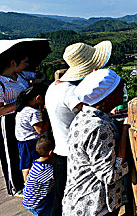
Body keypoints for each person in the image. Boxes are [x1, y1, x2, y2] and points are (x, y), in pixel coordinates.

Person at [45, 40, 112, 216]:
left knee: (60, 201)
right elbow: (91, 116)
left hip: (60, 153)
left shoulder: (54, 87)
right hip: (75, 158)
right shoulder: (71, 93)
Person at [63, 69, 129, 216]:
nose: (123, 90)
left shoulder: (82, 117)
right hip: (93, 209)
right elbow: (110, 175)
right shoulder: (99, 127)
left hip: (78, 203)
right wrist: (125, 130)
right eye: (119, 87)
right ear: (108, 97)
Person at [0, 38, 50, 196]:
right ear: (13, 63)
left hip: (22, 118)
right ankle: (15, 187)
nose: (27, 65)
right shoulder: (1, 83)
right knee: (10, 154)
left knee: (23, 152)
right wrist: (22, 102)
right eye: (24, 62)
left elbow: (38, 75)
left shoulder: (20, 76)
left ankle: (27, 182)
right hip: (7, 120)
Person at [15, 83, 50, 181]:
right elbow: (40, 130)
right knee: (31, 166)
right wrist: (47, 119)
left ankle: (26, 185)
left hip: (23, 141)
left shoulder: (22, 108)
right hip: (31, 142)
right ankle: (29, 185)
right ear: (38, 98)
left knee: (25, 164)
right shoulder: (33, 112)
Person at [23, 133, 55, 216]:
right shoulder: (46, 170)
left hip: (31, 200)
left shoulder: (37, 162)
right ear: (51, 153)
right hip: (38, 205)